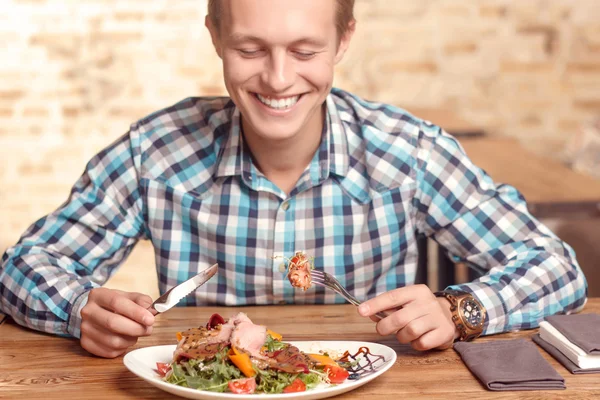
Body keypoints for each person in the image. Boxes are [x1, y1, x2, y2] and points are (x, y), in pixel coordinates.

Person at [0, 0, 587, 359]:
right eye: (250, 49)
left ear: (344, 40)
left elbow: (555, 267)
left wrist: (461, 311)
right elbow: (21, 267)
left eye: (305, 50)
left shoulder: (407, 151)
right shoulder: (153, 151)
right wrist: (80, 308)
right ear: (214, 38)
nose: (278, 79)